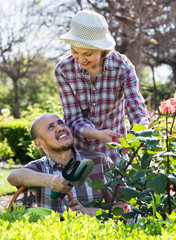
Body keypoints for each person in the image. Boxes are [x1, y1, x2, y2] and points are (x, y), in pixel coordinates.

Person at [54, 10, 150, 164]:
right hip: (79, 152)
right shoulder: (63, 71)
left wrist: (143, 131)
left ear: (103, 49)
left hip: (114, 149)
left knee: (116, 187)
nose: (81, 59)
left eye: (88, 54)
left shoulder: (122, 67)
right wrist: (96, 134)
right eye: (75, 52)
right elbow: (73, 117)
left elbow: (135, 105)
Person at [8, 113, 129, 216]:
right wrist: (51, 181)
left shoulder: (99, 161)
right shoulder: (40, 168)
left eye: (61, 123)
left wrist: (90, 212)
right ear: (39, 143)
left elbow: (125, 207)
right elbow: (14, 176)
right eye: (51, 127)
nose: (60, 128)